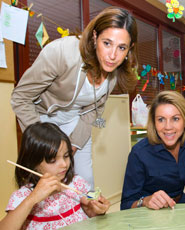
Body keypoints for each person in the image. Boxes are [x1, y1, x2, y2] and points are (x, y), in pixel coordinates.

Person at [11, 7, 138, 187]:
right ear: (95, 37)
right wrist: (43, 141)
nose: (113, 55)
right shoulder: (62, 53)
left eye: (122, 47)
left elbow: (95, 110)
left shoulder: (114, 73)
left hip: (76, 122)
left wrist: (75, 143)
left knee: (86, 182)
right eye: (107, 43)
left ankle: (88, 214)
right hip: (42, 120)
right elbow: (21, 97)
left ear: (129, 49)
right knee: (47, 183)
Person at [0, 122, 110, 229]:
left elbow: (91, 216)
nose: (64, 164)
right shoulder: (23, 195)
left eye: (66, 156)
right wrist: (32, 199)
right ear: (32, 163)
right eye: (53, 160)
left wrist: (97, 209)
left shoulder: (76, 183)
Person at [121, 91, 185, 210]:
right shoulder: (139, 153)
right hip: (149, 213)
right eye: (161, 119)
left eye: (175, 119)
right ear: (154, 123)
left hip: (182, 205)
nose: (168, 127)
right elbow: (126, 205)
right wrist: (145, 201)